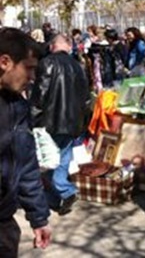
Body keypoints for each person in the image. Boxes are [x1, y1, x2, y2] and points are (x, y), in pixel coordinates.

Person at [0, 28, 51, 256]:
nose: (32, 77)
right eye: (28, 68)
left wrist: (39, 217)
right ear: (5, 62)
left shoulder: (18, 107)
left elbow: (26, 165)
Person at [30, 34, 91, 215]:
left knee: (49, 161)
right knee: (62, 161)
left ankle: (66, 191)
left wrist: (33, 118)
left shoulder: (47, 63)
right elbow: (86, 98)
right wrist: (83, 123)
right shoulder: (78, 66)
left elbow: (40, 93)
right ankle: (56, 198)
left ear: (52, 46)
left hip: (52, 121)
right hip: (72, 122)